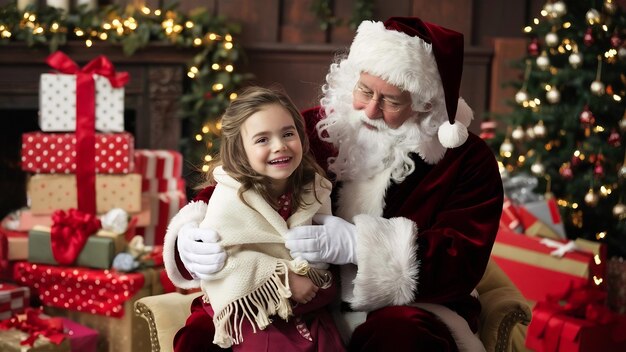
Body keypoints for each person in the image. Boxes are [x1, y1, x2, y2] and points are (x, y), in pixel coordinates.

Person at [165, 17, 503, 351]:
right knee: (200, 336)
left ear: (424, 104)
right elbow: (240, 180)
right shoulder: (314, 127)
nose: (370, 110)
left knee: (401, 336)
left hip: (407, 307)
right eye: (365, 90)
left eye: (391, 101)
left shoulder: (466, 159)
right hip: (293, 293)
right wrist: (189, 235)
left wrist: (360, 245)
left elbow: (463, 259)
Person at [164, 86, 345, 351]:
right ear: (240, 152)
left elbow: (321, 255)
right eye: (262, 140)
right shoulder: (230, 197)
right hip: (247, 304)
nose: (279, 146)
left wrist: (314, 272)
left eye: (287, 134)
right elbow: (225, 260)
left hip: (305, 305)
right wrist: (282, 279)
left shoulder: (313, 188)